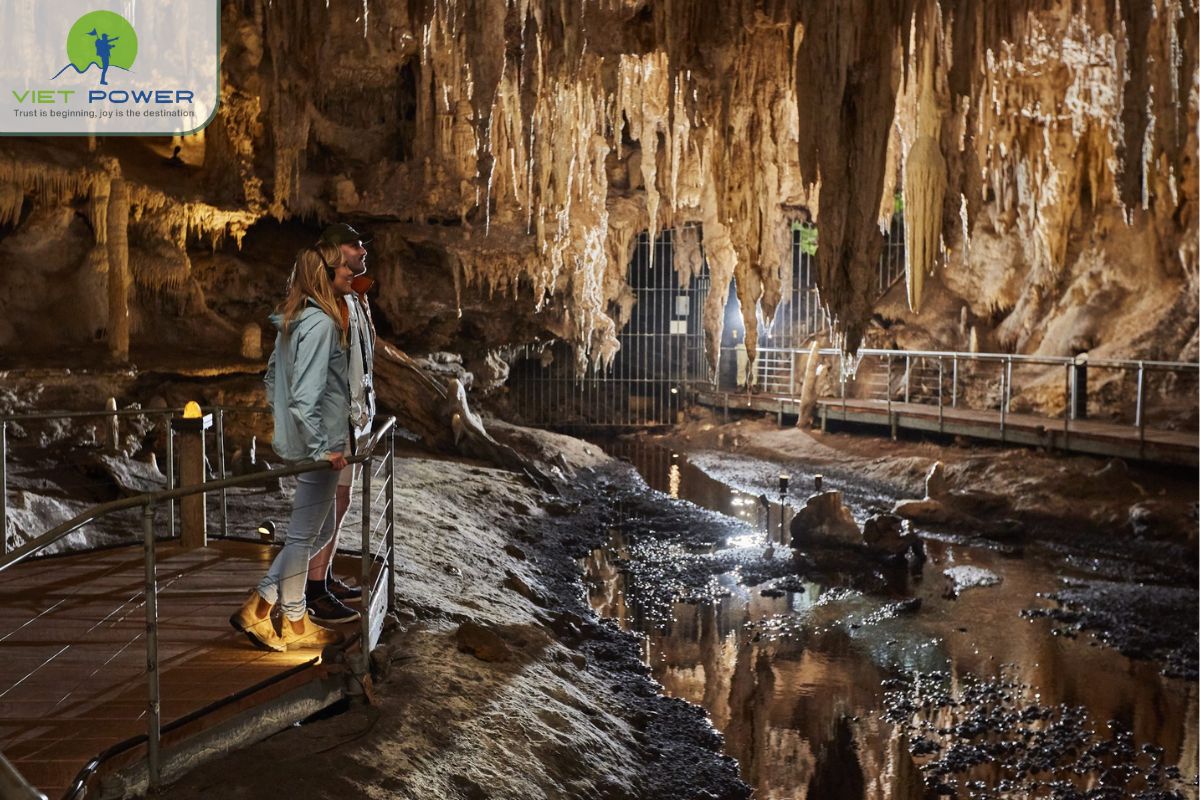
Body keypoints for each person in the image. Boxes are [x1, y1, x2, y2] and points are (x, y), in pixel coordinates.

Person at [230, 242, 355, 651]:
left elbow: (272, 381)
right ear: (322, 275)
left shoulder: (292, 319)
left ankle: (270, 604)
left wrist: (289, 427)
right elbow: (305, 394)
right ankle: (287, 616)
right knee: (307, 535)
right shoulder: (319, 324)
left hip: (305, 441)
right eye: (337, 269)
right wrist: (322, 446)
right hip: (322, 444)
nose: (346, 274)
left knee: (310, 533)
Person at [303, 223, 377, 624]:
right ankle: (313, 589)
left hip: (350, 418)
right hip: (332, 423)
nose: (363, 251)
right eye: (356, 245)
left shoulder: (352, 298)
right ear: (334, 254)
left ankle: (323, 576)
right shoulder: (326, 304)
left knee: (340, 500)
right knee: (326, 505)